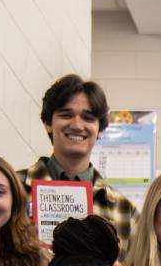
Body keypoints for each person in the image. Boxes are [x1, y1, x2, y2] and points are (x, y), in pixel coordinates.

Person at [15, 74, 137, 251]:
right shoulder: (11, 190)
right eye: (66, 115)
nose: (77, 126)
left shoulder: (124, 209)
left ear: (100, 129)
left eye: (88, 118)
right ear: (48, 123)